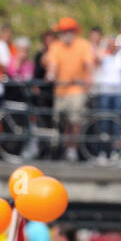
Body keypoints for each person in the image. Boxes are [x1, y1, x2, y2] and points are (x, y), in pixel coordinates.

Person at [43, 18, 95, 161]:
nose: (64, 34)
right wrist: (50, 74)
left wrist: (89, 78)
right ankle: (64, 148)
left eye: (67, 31)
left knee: (75, 121)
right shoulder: (56, 46)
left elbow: (89, 63)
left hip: (77, 89)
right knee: (62, 121)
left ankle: (72, 149)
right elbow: (52, 64)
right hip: (60, 90)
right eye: (62, 32)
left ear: (73, 31)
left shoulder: (83, 45)